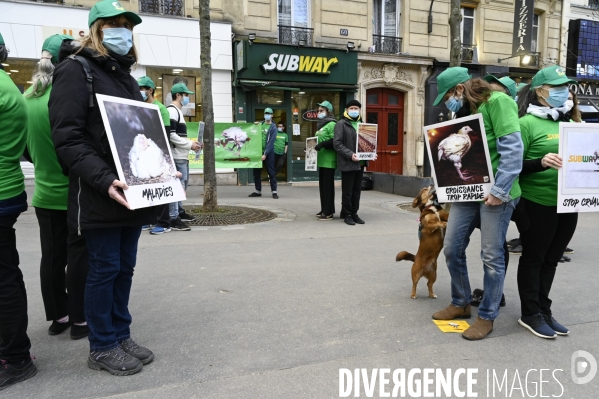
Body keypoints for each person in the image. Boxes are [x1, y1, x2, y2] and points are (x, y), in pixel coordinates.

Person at [50, 1, 155, 375]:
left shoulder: (126, 77)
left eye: (128, 25)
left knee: (124, 267)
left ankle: (120, 333)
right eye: (114, 24)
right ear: (96, 29)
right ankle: (102, 345)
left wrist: (163, 170)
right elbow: (67, 138)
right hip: (101, 192)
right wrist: (103, 178)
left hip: (133, 193)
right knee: (104, 269)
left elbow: (142, 135)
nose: (123, 31)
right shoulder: (75, 71)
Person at [431, 67, 523, 341]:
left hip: (497, 193)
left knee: (491, 256)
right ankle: (460, 303)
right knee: (451, 247)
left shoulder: (498, 102)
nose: (448, 101)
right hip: (467, 192)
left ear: (460, 88)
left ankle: (487, 315)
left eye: (448, 94)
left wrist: (500, 189)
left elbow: (513, 150)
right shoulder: (467, 112)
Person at [24, 34, 90, 341]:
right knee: (79, 257)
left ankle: (58, 316)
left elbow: (23, 147)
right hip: (74, 193)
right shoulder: (66, 97)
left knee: (51, 257)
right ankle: (79, 320)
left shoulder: (26, 99)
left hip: (43, 192)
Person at [515, 66, 578, 339]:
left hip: (569, 202)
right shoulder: (525, 124)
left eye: (565, 86)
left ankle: (544, 309)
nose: (563, 91)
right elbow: (511, 165)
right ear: (540, 92)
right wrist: (540, 163)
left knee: (552, 259)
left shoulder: (573, 125)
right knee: (534, 258)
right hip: (536, 202)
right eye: (556, 87)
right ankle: (530, 314)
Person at [0, 31, 38, 391]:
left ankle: (15, 356)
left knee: (4, 279)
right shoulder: (10, 86)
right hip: (8, 187)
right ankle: (14, 351)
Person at [138, 76, 173, 235]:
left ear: (150, 90)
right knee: (147, 184)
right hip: (144, 150)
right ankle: (150, 219)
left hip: (157, 151)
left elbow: (165, 134)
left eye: (142, 88)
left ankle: (164, 222)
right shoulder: (139, 107)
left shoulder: (160, 109)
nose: (140, 92)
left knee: (160, 185)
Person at [167, 81, 201, 231]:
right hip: (177, 156)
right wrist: (190, 145)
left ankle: (178, 213)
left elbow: (177, 136)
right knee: (177, 187)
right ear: (178, 95)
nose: (188, 98)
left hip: (182, 155)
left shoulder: (177, 111)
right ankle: (173, 218)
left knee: (181, 187)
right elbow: (171, 135)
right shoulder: (172, 111)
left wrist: (193, 144)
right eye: (186, 95)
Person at [333, 99, 372, 225]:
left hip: (360, 163)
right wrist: (350, 155)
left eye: (356, 108)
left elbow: (367, 142)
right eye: (352, 108)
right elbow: (337, 144)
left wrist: (371, 152)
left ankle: (354, 212)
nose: (354, 111)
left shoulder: (363, 123)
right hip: (348, 162)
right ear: (347, 110)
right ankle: (347, 213)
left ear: (360, 110)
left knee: (357, 190)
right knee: (348, 191)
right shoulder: (341, 124)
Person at [314, 101, 337, 221]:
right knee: (323, 187)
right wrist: (308, 147)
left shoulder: (332, 124)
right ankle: (324, 209)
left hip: (329, 160)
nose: (319, 113)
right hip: (321, 160)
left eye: (321, 111)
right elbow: (316, 141)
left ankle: (328, 212)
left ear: (328, 111)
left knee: (328, 187)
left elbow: (335, 141)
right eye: (318, 111)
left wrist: (322, 144)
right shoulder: (321, 125)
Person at [249, 108, 278, 199]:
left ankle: (274, 192)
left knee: (271, 172)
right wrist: (254, 126)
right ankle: (258, 191)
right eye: (266, 113)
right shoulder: (260, 124)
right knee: (256, 173)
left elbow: (271, 143)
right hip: (258, 152)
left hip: (268, 153)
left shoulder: (273, 127)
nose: (267, 115)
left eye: (269, 113)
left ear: (272, 115)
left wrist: (265, 154)